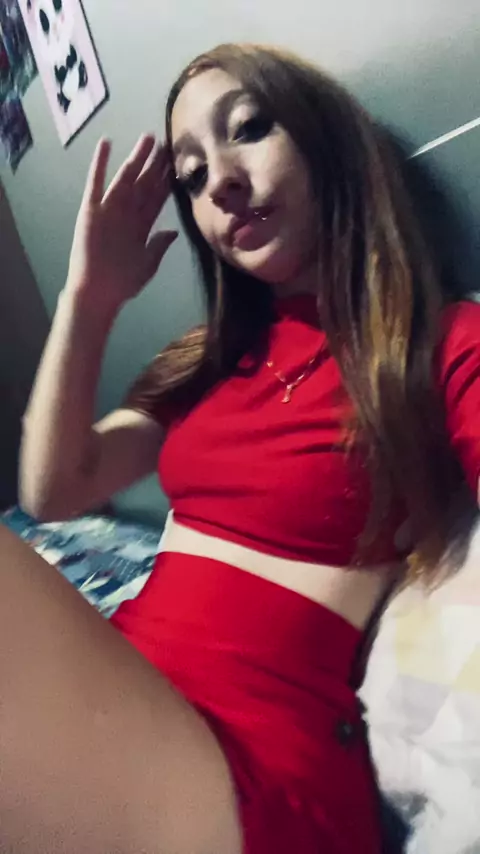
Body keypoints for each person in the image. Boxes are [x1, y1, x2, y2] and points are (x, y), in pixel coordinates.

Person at [8, 42, 479, 854]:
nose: (220, 182)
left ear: (327, 140)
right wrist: (89, 295)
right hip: (129, 698)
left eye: (250, 128)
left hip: (250, 764)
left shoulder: (436, 340)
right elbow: (54, 491)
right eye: (191, 177)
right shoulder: (209, 362)